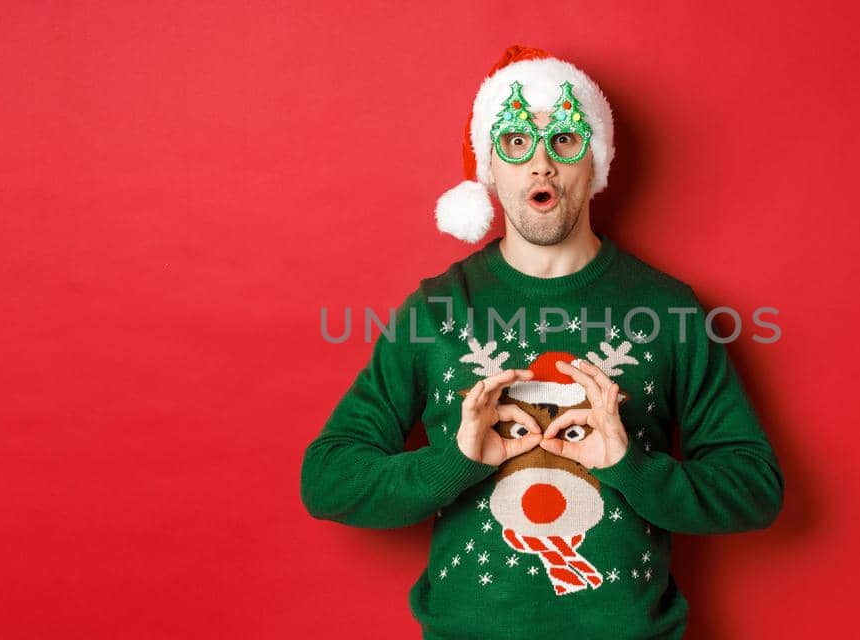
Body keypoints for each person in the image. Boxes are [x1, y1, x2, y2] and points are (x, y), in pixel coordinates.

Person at [300, 45, 785, 639]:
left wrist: (631, 467)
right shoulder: (436, 311)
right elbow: (327, 479)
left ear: (596, 162)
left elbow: (756, 487)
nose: (541, 166)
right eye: (515, 143)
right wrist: (456, 461)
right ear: (490, 168)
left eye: (563, 140)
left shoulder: (669, 310)